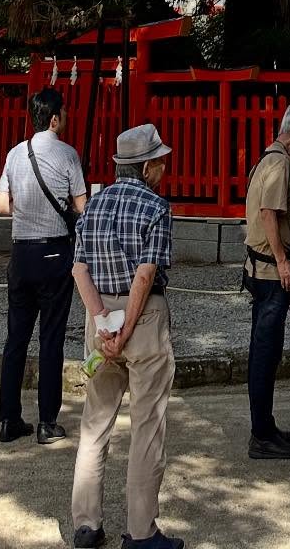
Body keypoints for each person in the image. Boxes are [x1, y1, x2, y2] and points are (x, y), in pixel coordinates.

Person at [70, 122, 181, 549]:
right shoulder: (156, 207)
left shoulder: (93, 206)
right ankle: (140, 531)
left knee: (95, 424)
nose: (164, 168)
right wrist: (126, 330)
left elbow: (79, 268)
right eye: (161, 162)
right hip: (144, 319)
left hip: (98, 314)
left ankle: (86, 524)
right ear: (148, 166)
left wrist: (102, 322)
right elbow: (145, 274)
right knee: (146, 427)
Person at [0, 86, 88, 445]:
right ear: (53, 118)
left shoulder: (15, 155)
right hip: (53, 254)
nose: (65, 117)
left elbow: (3, 206)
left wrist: (27, 207)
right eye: (63, 112)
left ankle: (9, 418)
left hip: (21, 254)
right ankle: (47, 421)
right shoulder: (67, 155)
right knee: (51, 339)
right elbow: (82, 206)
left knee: (16, 338)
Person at [241, 98, 290, 461]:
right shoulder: (280, 162)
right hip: (270, 270)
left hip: (261, 268)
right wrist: (284, 261)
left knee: (266, 350)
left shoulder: (268, 158)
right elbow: (270, 213)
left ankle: (266, 425)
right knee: (266, 352)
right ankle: (261, 434)